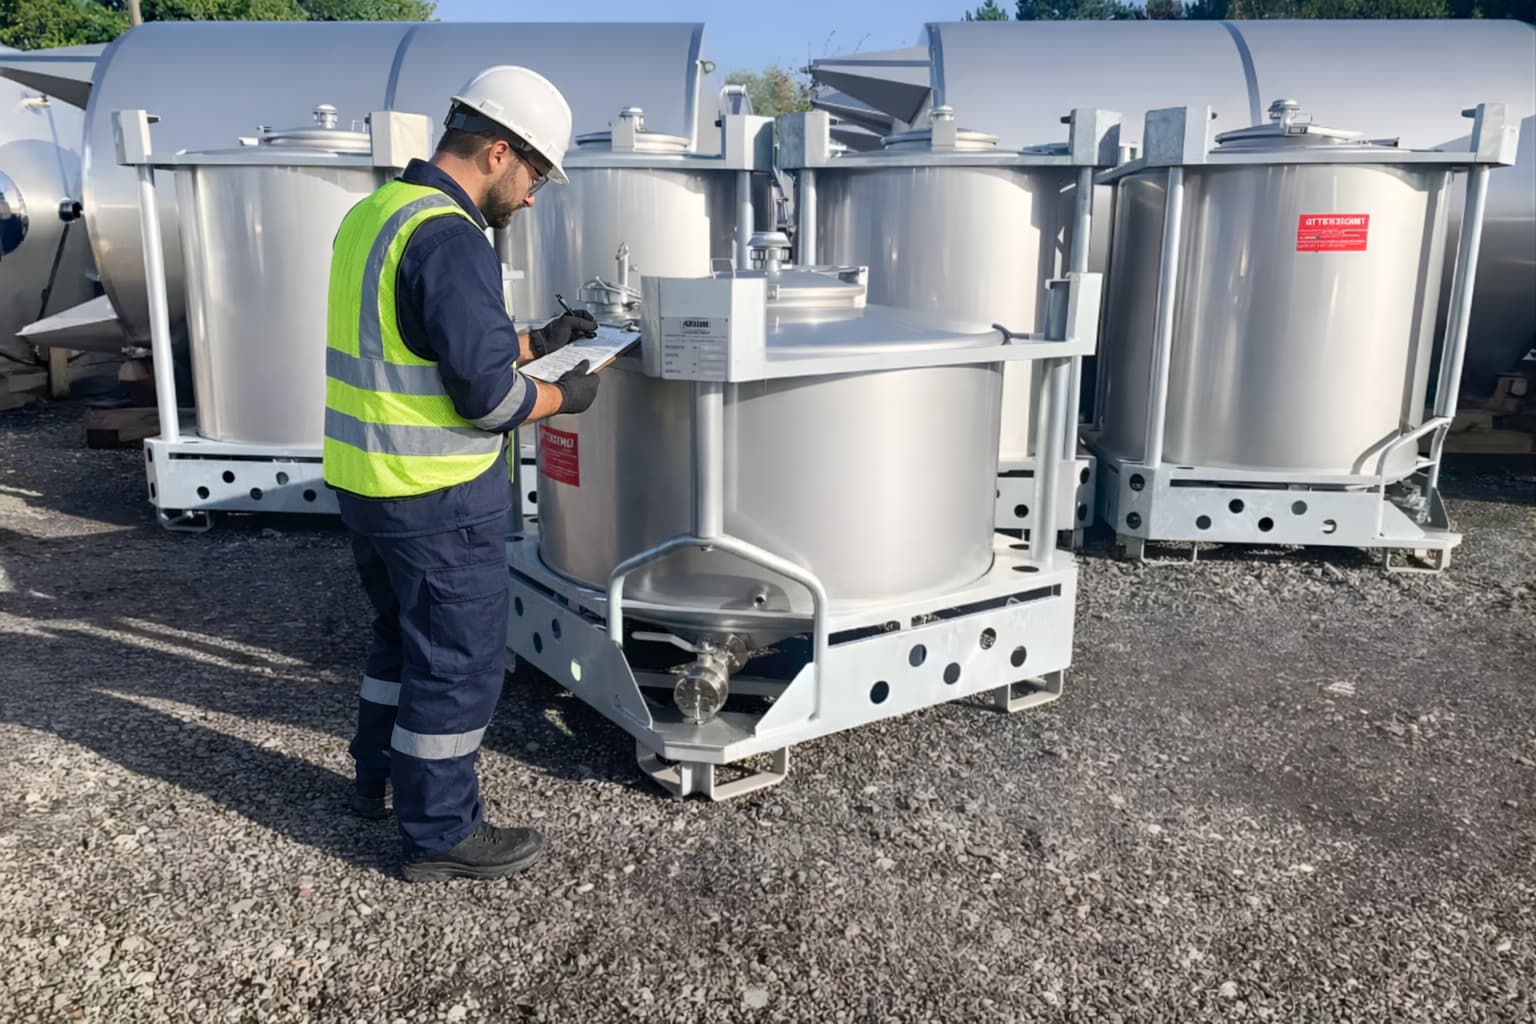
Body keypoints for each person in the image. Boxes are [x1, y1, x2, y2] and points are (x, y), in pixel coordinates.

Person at [322, 65, 601, 882]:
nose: (533, 197)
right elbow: (488, 400)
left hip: (367, 482)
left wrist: (538, 339)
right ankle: (440, 831)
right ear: (498, 151)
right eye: (536, 177)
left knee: (400, 644)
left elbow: (419, 344)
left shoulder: (376, 214)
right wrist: (564, 392)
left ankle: (374, 780)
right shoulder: (451, 237)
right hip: (435, 497)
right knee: (457, 664)